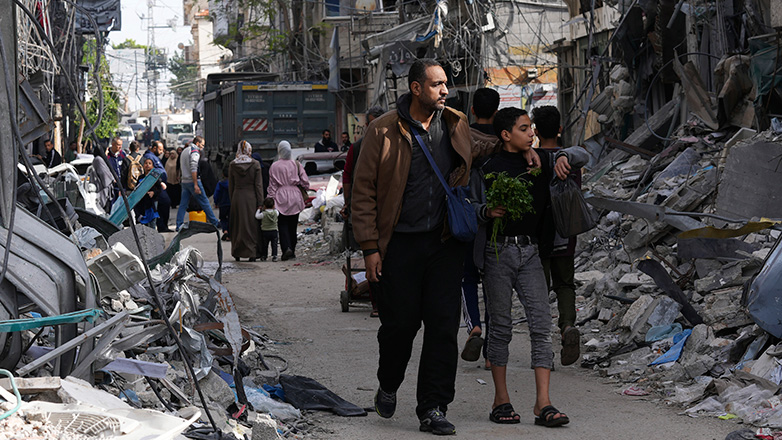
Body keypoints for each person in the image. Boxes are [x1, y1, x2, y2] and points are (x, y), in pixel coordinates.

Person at [351, 58, 473, 436]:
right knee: (400, 326)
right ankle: (388, 383)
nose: (445, 91)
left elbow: (485, 147)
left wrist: (541, 152)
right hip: (399, 245)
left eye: (446, 84)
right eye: (437, 84)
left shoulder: (455, 123)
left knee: (442, 327)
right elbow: (364, 192)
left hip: (442, 243)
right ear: (416, 88)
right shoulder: (383, 131)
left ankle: (433, 407)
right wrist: (370, 247)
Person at [470, 106, 587, 427]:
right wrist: (485, 211)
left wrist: (563, 157)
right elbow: (470, 203)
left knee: (540, 324)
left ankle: (543, 403)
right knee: (502, 327)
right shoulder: (488, 167)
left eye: (531, 128)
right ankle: (501, 399)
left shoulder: (543, 160)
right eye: (523, 129)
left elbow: (582, 154)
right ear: (506, 135)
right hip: (497, 253)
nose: (531, 133)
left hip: (532, 252)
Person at [532, 105, 581, 366]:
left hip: (538, 238)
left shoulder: (531, 159)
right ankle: (567, 326)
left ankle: (542, 350)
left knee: (539, 292)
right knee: (565, 285)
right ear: (560, 129)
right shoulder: (570, 160)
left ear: (536, 131)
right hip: (566, 234)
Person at [460, 87, 502, 365]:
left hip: (467, 217)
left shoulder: (461, 136)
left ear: (472, 110)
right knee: (494, 287)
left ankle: (474, 324)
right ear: (496, 112)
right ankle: (491, 354)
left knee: (467, 278)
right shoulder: (503, 139)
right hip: (498, 221)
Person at [340, 105, 386, 318]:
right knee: (372, 253)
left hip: (389, 209)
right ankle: (378, 303)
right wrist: (348, 204)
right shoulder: (358, 148)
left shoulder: (396, 145)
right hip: (368, 209)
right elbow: (347, 176)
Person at [267, 140, 309, 261]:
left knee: (282, 224)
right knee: (293, 224)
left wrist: (270, 199)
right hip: (295, 196)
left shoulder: (274, 166)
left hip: (281, 197)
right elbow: (305, 181)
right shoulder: (296, 164)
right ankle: (293, 250)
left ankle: (286, 249)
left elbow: (272, 185)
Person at [228, 141, 264, 262]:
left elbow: (231, 185)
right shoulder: (255, 164)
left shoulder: (233, 164)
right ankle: (252, 252)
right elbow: (258, 185)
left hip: (237, 197)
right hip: (251, 197)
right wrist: (261, 202)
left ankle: (237, 251)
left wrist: (232, 199)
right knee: (251, 225)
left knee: (237, 225)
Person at [176, 136, 220, 231]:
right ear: (197, 143)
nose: (202, 147)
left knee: (183, 204)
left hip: (184, 181)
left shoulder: (185, 151)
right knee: (205, 202)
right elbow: (194, 167)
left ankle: (178, 224)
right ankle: (215, 222)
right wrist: (196, 184)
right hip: (193, 181)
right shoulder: (194, 151)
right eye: (202, 145)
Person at [144, 141, 172, 232]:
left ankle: (162, 226)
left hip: (159, 184)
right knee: (164, 203)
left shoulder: (154, 157)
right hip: (156, 185)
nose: (162, 152)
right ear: (154, 148)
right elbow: (152, 171)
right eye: (160, 149)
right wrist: (159, 182)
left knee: (163, 205)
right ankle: (162, 226)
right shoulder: (149, 157)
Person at [133, 157, 162, 226]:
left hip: (152, 202)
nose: (147, 165)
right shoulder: (141, 177)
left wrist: (153, 193)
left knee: (152, 221)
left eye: (149, 163)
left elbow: (159, 189)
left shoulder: (155, 177)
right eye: (146, 163)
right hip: (143, 203)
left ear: (152, 166)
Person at [257, 197, 279, 261]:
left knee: (265, 245)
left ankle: (264, 256)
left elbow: (257, 216)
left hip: (265, 231)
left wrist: (258, 210)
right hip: (274, 231)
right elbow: (278, 212)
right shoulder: (276, 213)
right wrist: (275, 208)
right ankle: (274, 256)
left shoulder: (263, 214)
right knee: (274, 245)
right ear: (273, 205)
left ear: (264, 206)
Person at [214, 163, 231, 241]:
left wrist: (216, 202)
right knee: (231, 218)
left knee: (223, 218)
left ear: (223, 174)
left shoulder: (220, 183)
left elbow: (217, 193)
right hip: (231, 204)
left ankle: (225, 231)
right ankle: (230, 233)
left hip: (222, 204)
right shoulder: (233, 184)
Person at [107, 137, 126, 203]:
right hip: (112, 186)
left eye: (121, 145)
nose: (120, 147)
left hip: (122, 186)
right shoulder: (108, 156)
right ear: (113, 144)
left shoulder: (122, 154)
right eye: (118, 145)